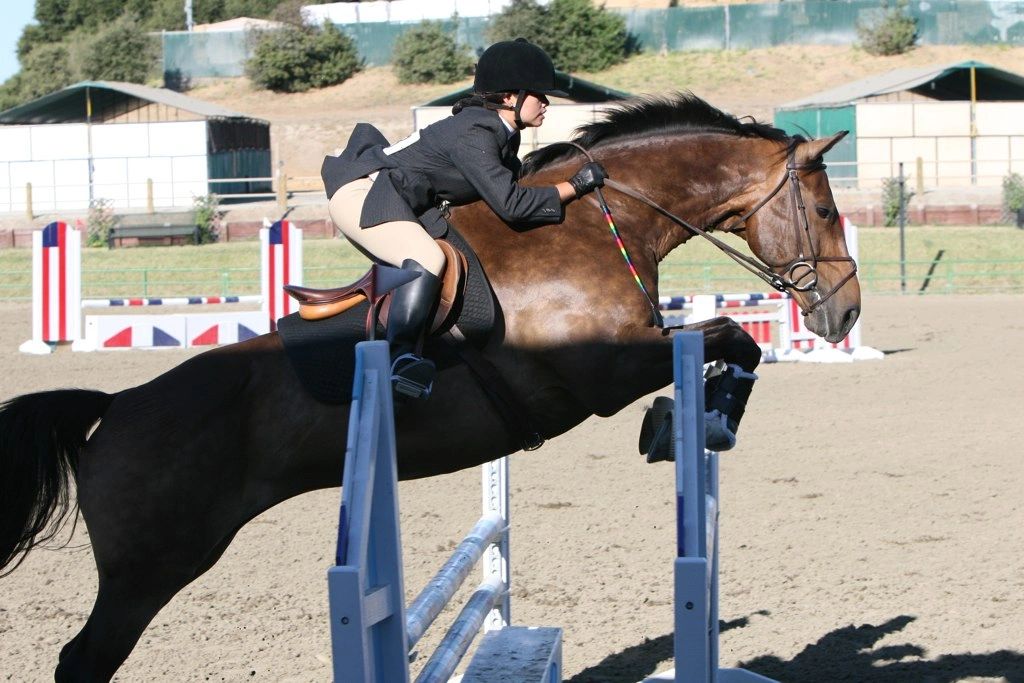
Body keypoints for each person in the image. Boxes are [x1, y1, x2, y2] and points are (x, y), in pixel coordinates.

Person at [320, 37, 608, 400]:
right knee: (428, 259)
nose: (546, 102)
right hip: (363, 196)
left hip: (397, 197)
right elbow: (513, 205)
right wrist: (575, 185)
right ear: (508, 97)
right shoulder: (475, 131)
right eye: (539, 94)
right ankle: (399, 362)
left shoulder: (501, 133)